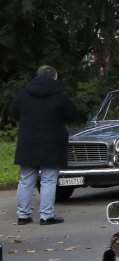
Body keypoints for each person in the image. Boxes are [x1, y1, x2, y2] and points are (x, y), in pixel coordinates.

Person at [10, 64, 82, 224]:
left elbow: (13, 113)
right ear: (54, 77)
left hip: (28, 143)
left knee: (26, 180)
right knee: (48, 180)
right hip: (52, 144)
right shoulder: (61, 95)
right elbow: (72, 115)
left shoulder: (23, 94)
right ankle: (46, 216)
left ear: (37, 76)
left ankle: (23, 215)